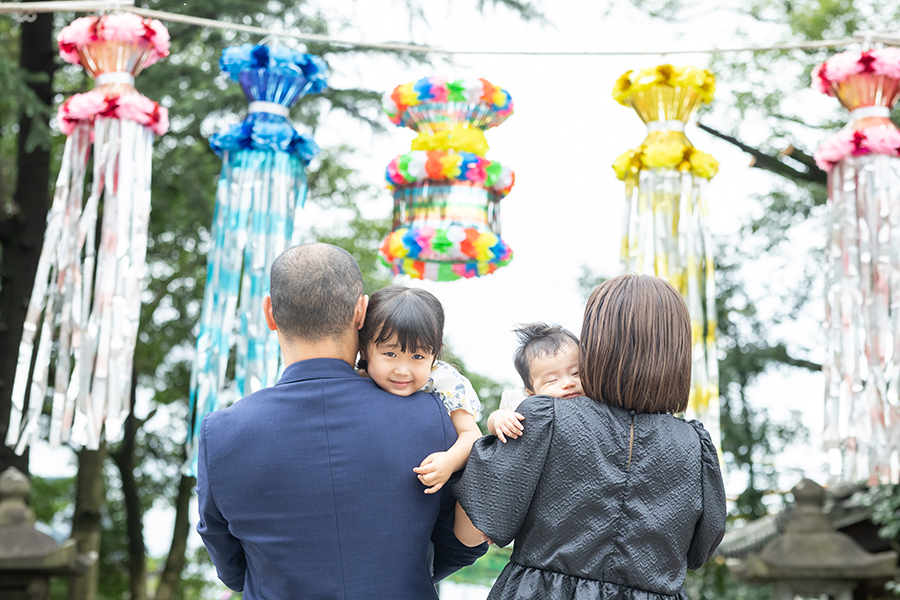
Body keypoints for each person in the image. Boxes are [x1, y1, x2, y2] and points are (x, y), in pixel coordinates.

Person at [196, 243, 487, 600]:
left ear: (270, 312)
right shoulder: (433, 416)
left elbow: (229, 564)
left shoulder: (221, 433)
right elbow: (461, 539)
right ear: (361, 312)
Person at [451, 273, 727, 599]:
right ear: (678, 353)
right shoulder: (695, 446)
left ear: (594, 347)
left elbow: (470, 533)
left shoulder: (544, 418)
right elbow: (700, 551)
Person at [356, 285, 482, 494]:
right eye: (390, 354)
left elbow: (471, 435)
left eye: (417, 357)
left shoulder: (443, 381)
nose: (403, 370)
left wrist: (450, 461)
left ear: (434, 354)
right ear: (364, 347)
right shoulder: (355, 378)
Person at [486, 323, 583, 443]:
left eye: (576, 373)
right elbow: (493, 421)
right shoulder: (521, 401)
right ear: (532, 393)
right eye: (552, 380)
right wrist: (499, 419)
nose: (568, 383)